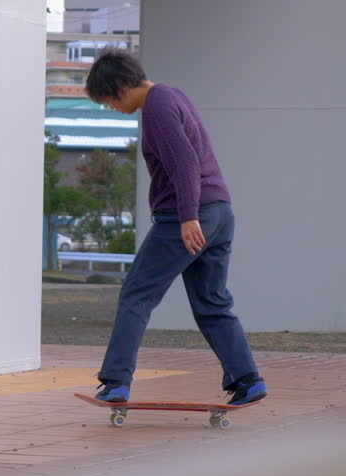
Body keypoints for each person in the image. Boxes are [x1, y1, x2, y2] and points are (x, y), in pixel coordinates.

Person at [85, 48, 266, 407]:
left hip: (188, 216)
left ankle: (117, 381)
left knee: (137, 294)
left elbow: (185, 162)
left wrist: (187, 217)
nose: (111, 108)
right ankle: (247, 380)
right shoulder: (172, 95)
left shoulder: (156, 106)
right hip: (220, 211)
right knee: (212, 303)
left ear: (120, 87)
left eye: (107, 100)